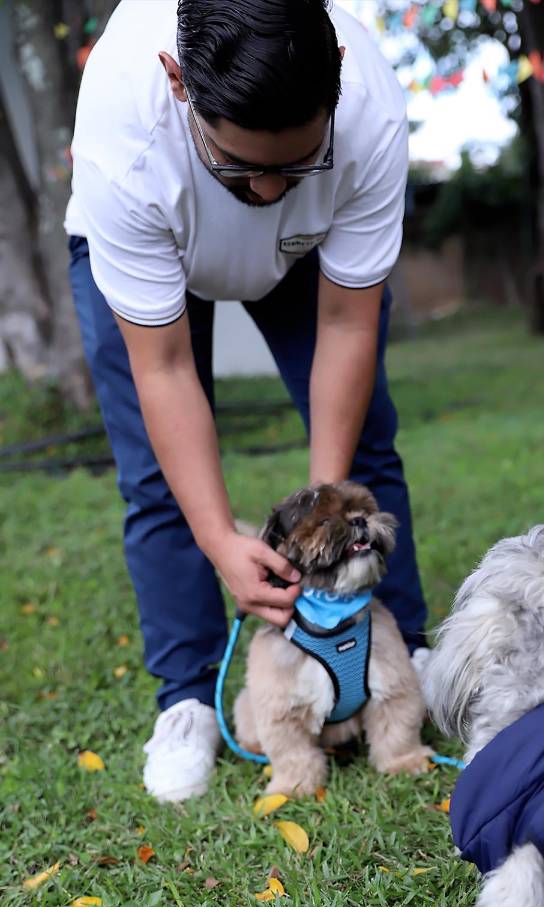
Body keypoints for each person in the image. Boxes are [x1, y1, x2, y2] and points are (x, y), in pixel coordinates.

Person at [66, 0, 429, 804]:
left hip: (309, 265)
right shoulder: (122, 131)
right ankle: (188, 698)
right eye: (239, 166)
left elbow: (344, 319)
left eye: (294, 165)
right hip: (149, 243)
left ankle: (397, 659)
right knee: (158, 481)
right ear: (178, 85)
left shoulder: (369, 110)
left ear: (336, 77)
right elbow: (162, 372)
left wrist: (322, 521)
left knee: (363, 445)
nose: (266, 189)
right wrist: (220, 541)